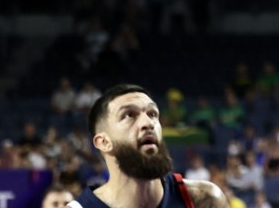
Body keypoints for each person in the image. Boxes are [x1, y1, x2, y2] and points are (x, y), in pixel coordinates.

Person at [68, 84, 225, 208]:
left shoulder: (204, 200)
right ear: (104, 142)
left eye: (152, 114)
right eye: (129, 115)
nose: (148, 123)